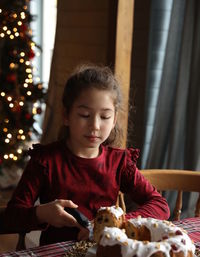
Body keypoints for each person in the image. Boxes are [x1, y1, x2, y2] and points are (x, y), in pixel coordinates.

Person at [4, 64, 170, 246]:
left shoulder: (119, 162)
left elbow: (159, 204)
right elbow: (11, 217)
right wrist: (42, 213)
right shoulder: (45, 161)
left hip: (103, 256)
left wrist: (120, 224)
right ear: (66, 115)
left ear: (114, 120)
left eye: (105, 117)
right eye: (84, 115)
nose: (95, 126)